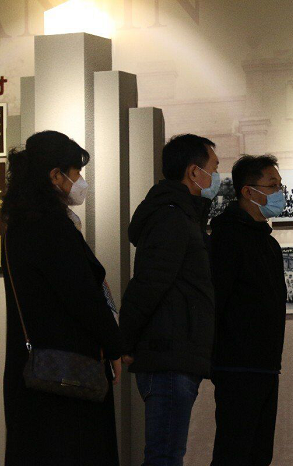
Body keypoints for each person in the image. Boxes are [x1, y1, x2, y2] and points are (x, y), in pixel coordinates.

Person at [1, 130, 126, 466]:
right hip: (65, 377)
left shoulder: (19, 225)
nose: (80, 180)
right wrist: (114, 345)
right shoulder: (50, 227)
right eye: (76, 172)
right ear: (55, 176)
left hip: (35, 373)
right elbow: (82, 297)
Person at [119, 133, 219, 466]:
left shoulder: (183, 216)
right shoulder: (172, 217)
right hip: (169, 357)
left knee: (166, 455)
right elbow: (149, 283)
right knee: (164, 458)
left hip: (175, 355)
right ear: (194, 172)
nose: (216, 177)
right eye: (213, 169)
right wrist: (124, 341)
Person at [209, 155, 287, 466]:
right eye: (272, 185)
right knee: (234, 452)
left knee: (259, 454)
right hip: (237, 365)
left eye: (280, 185)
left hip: (266, 365)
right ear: (248, 191)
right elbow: (217, 299)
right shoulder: (227, 237)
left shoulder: (268, 243)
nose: (279, 192)